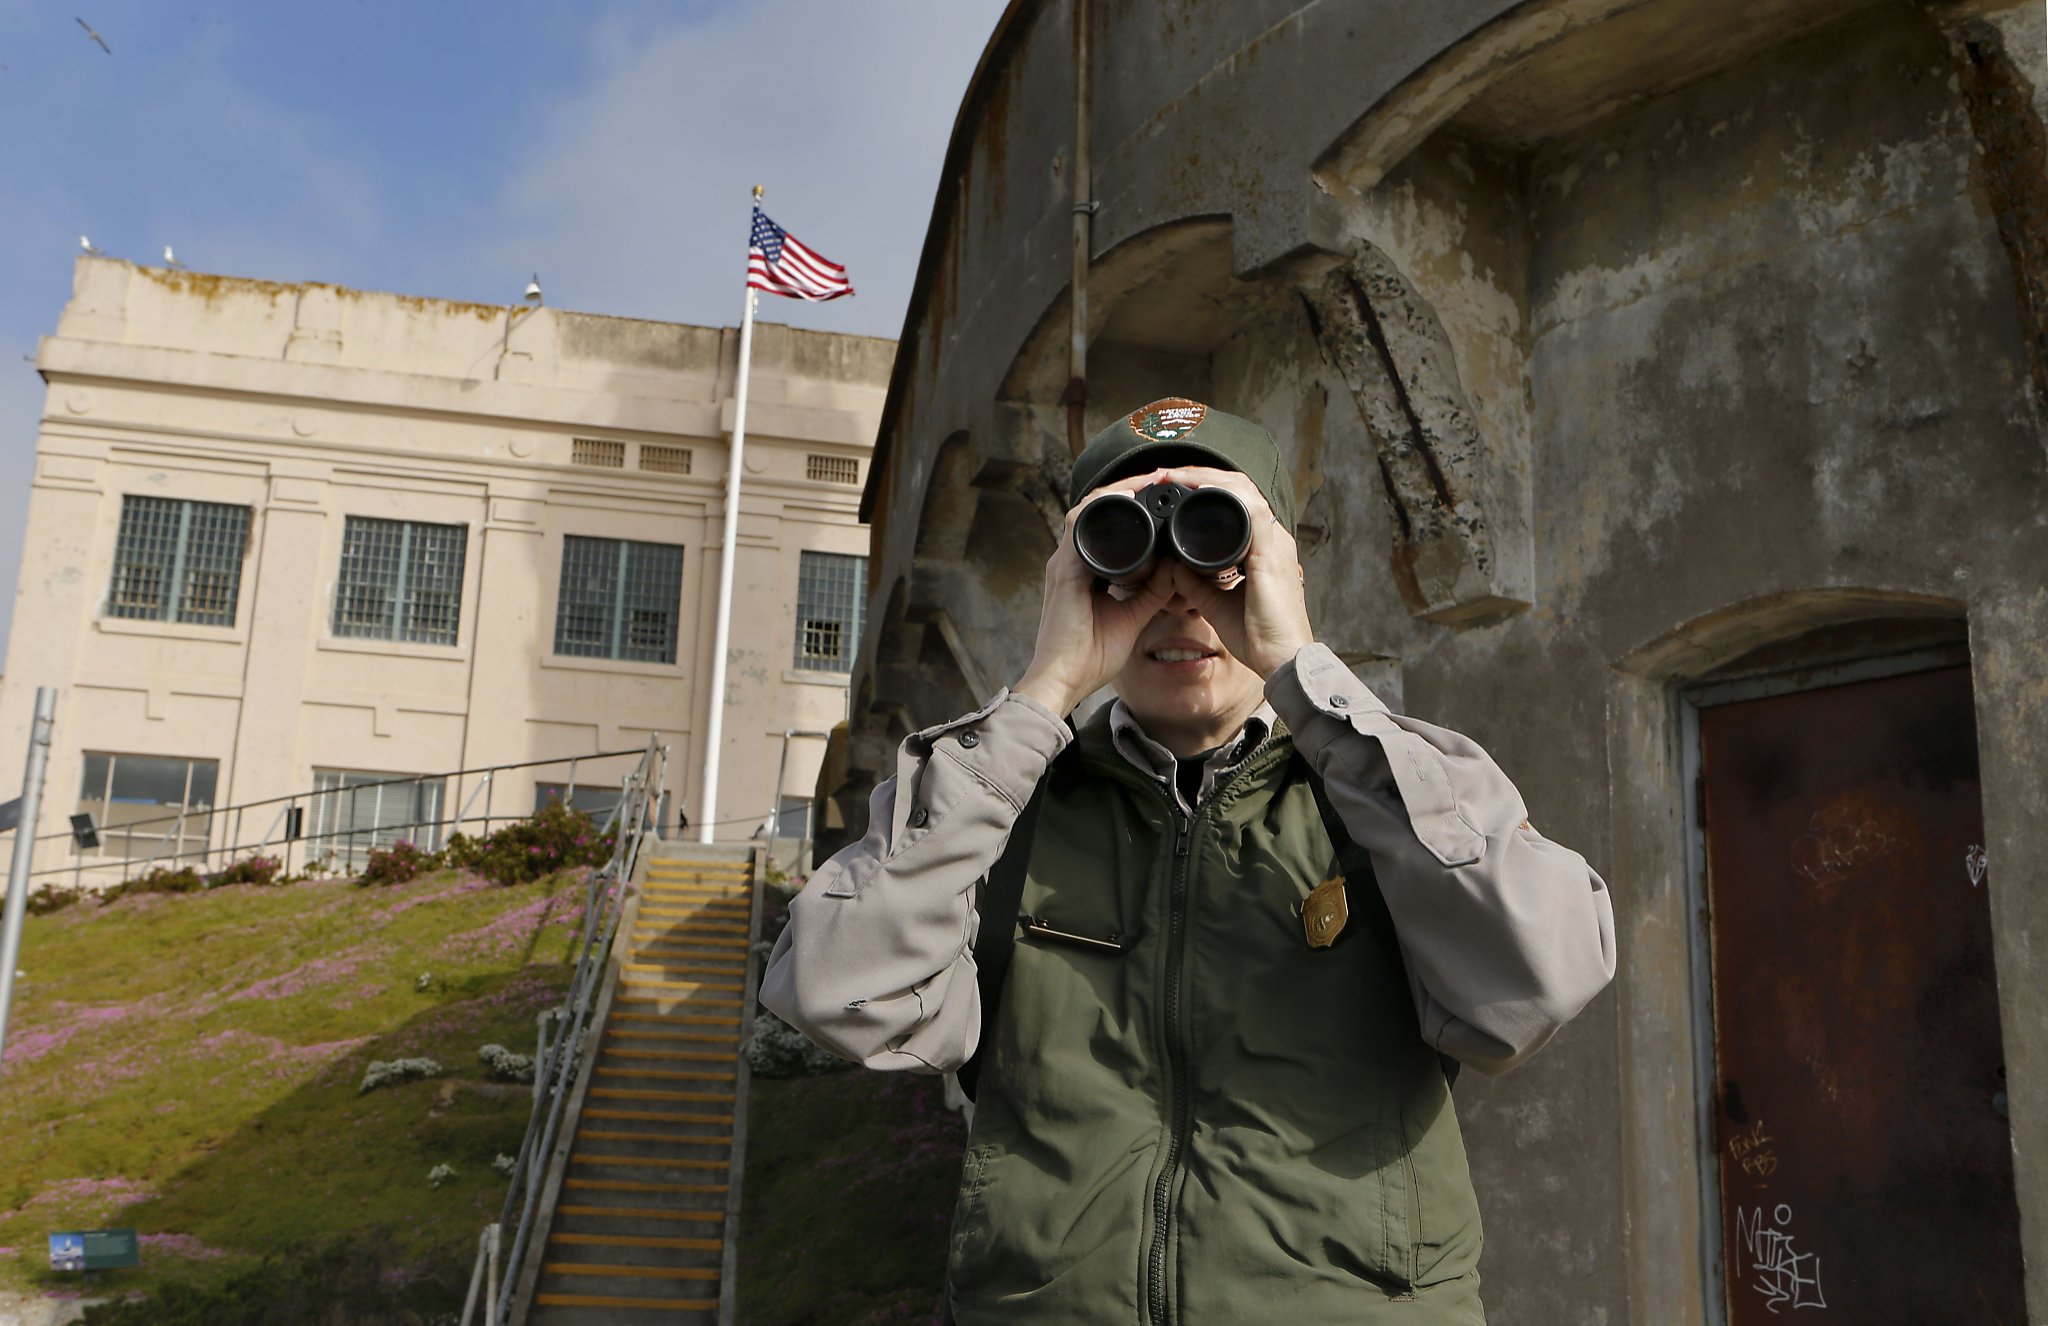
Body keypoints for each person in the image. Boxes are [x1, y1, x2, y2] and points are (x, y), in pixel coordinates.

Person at [760, 398, 1617, 1324]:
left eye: (1220, 543)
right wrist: (1045, 691)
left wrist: (1304, 673)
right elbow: (836, 990)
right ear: (1075, 577)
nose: (1181, 595)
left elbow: (1539, 978)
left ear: (1283, 568)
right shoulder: (994, 814)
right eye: (1130, 557)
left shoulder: (1390, 797)